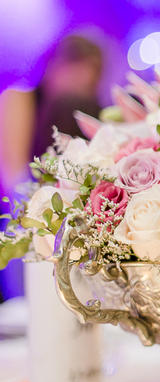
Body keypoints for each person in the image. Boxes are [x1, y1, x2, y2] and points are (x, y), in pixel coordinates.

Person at [0, 35, 103, 301]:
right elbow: (14, 178)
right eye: (76, 74)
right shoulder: (19, 99)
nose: (82, 84)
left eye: (89, 79)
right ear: (55, 67)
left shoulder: (87, 106)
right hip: (26, 210)